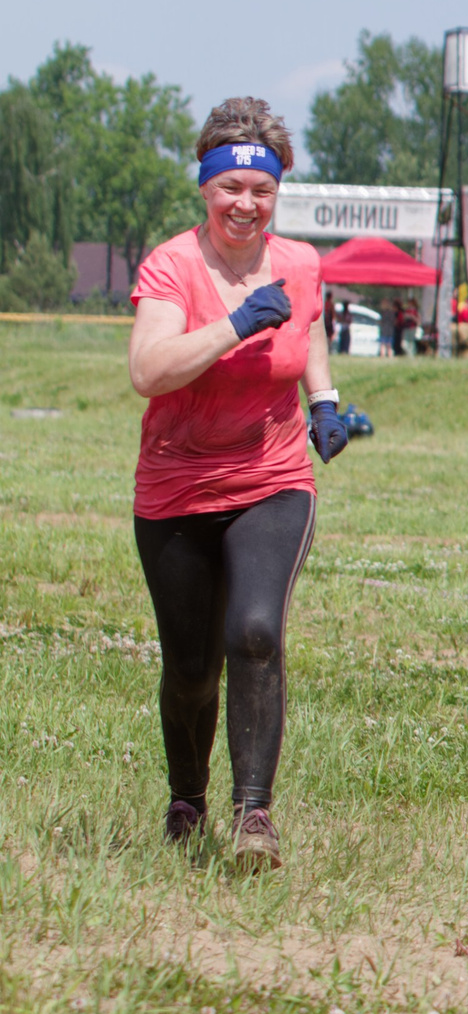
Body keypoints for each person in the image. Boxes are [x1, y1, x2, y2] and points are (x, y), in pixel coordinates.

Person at [126, 98, 347, 872]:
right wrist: (234, 325)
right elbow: (147, 370)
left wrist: (323, 404)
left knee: (255, 632)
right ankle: (187, 796)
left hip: (273, 475)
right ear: (205, 188)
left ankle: (256, 815)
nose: (245, 206)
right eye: (231, 190)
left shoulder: (300, 262)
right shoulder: (171, 266)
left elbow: (307, 325)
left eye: (262, 192)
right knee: (191, 669)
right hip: (178, 489)